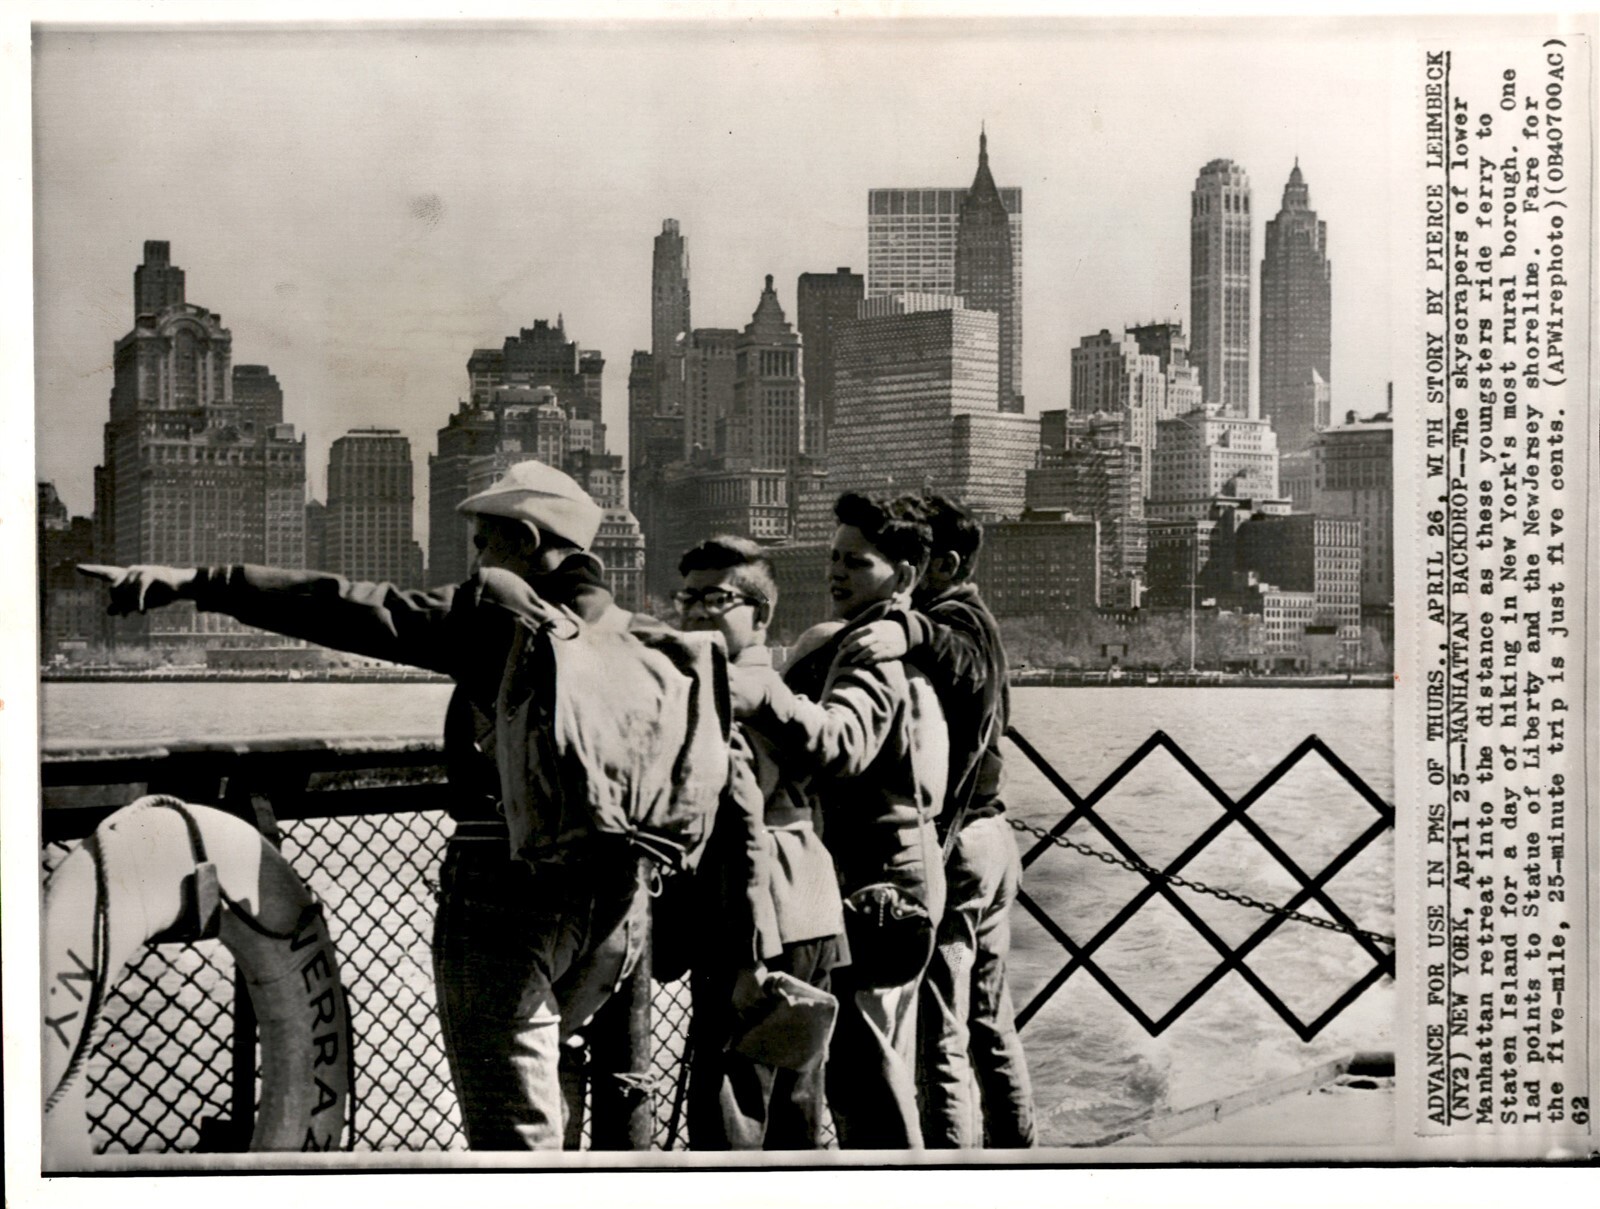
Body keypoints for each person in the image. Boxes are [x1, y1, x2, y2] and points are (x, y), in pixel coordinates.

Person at [81, 460, 654, 1150]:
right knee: (562, 1079)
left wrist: (199, 583)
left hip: (507, 892)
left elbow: (354, 607)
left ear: (528, 540)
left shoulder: (502, 615)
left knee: (514, 1135)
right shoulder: (636, 634)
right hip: (618, 908)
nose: (475, 560)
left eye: (485, 542)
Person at [730, 492, 948, 1149]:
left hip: (877, 880)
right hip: (891, 866)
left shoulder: (871, 649)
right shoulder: (884, 639)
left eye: (856, 561)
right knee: (868, 1060)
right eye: (833, 558)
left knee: (864, 1068)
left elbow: (845, 743)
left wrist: (767, 696)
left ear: (903, 575)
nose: (836, 571)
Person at [836, 493, 1035, 1148]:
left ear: (943, 564)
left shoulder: (958, 620)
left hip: (961, 846)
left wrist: (910, 632)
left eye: (919, 554)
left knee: (941, 1033)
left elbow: (964, 660)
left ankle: (951, 1172)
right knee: (989, 1022)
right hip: (994, 837)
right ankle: (1018, 1154)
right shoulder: (976, 617)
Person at [672, 536, 847, 1150]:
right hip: (812, 906)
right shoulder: (781, 691)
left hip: (754, 920)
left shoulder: (730, 695)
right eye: (687, 597)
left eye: (716, 598)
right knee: (797, 1103)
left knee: (730, 1111)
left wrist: (749, 955)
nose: (696, 611)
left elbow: (742, 828)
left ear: (761, 612)